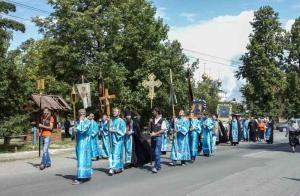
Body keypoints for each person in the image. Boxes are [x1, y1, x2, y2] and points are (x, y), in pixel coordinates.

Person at [72, 109, 92, 185]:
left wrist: (79, 125)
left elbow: (83, 130)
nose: (81, 115)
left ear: (85, 114)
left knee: (82, 159)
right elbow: (74, 133)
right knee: (80, 158)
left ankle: (80, 177)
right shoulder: (77, 122)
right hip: (79, 143)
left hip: (84, 143)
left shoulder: (87, 121)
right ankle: (86, 174)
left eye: (83, 113)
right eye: (80, 113)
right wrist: (73, 131)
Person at [108, 108, 126, 176]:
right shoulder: (111, 120)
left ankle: (113, 168)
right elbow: (109, 129)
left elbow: (123, 131)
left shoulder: (121, 121)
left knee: (116, 154)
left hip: (118, 140)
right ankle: (120, 167)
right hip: (111, 139)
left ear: (119, 113)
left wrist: (115, 130)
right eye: (113, 111)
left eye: (116, 111)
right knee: (111, 153)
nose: (114, 112)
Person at [150, 107, 167, 173]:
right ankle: (159, 165)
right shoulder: (152, 120)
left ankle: (156, 167)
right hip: (153, 138)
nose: (152, 112)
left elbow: (163, 130)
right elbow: (151, 129)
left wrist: (155, 133)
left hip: (158, 137)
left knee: (157, 152)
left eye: (153, 111)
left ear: (157, 112)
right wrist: (151, 133)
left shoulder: (162, 120)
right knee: (154, 152)